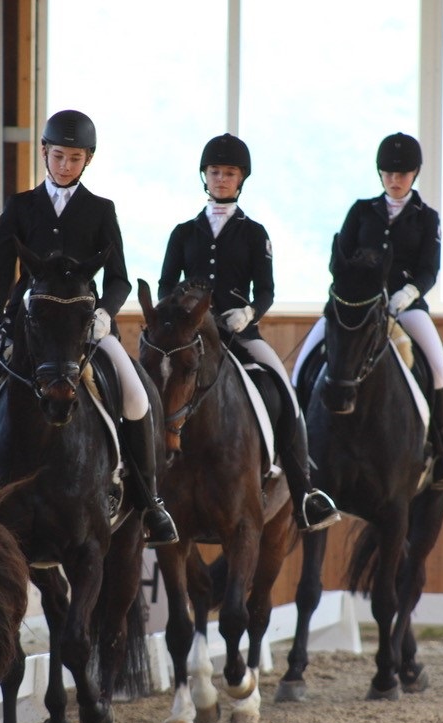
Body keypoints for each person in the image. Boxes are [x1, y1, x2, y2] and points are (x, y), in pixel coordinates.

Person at [0, 109, 178, 547]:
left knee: (133, 392)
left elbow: (119, 278)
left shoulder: (99, 210)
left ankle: (150, 501)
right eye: (58, 156)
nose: (65, 166)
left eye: (74, 159)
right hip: (25, 327)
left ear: (87, 160)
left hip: (83, 330)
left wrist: (106, 313)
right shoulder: (21, 207)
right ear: (44, 153)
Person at [157, 133, 341, 532]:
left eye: (229, 173)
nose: (221, 179)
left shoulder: (255, 233)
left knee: (283, 391)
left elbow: (267, 290)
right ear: (204, 176)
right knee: (155, 382)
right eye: (215, 172)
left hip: (239, 334)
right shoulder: (183, 233)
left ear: (241, 179)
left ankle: (304, 491)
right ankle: (145, 490)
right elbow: (164, 286)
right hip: (192, 336)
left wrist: (248, 312)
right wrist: (180, 316)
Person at [294, 131, 443, 489]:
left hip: (405, 308)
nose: (395, 180)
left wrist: (408, 293)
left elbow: (430, 268)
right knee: (303, 363)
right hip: (358, 307)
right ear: (380, 174)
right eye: (388, 173)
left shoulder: (426, 218)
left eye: (401, 174)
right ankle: (293, 443)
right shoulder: (361, 211)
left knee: (438, 366)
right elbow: (339, 257)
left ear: (414, 174)